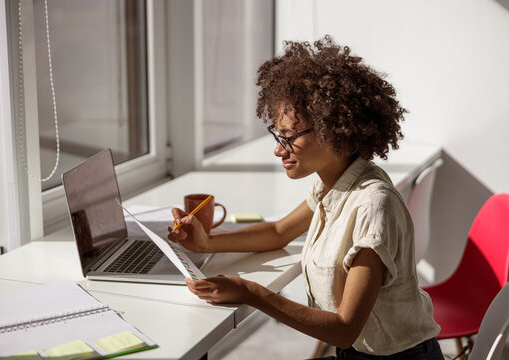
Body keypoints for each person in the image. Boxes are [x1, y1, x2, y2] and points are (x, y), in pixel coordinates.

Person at [167, 35, 443, 359]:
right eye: (277, 134)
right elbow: (278, 232)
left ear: (334, 129)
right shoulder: (332, 183)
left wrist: (251, 293)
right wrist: (206, 243)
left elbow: (344, 328)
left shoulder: (373, 206)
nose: (277, 148)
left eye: (289, 137)